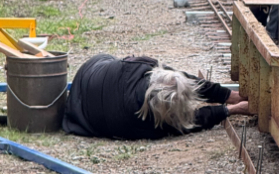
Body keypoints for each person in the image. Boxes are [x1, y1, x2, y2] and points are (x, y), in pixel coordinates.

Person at [62, 54, 250, 140]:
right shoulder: (146, 124)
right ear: (163, 113)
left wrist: (228, 95)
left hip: (90, 70)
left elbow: (184, 79)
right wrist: (230, 110)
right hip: (81, 112)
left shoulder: (143, 67)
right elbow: (189, 122)